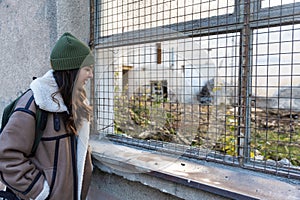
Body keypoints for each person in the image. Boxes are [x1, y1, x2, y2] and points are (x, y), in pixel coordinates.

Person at [0, 32, 94, 200]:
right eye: (87, 69)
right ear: (71, 70)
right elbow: (6, 156)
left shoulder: (76, 103)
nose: (90, 75)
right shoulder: (34, 103)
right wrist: (41, 192)